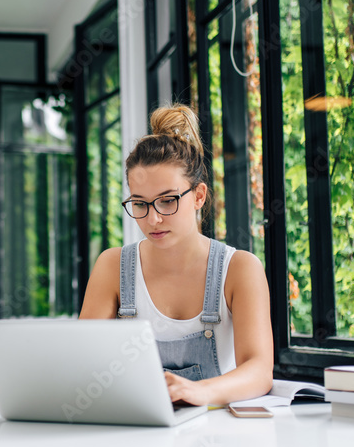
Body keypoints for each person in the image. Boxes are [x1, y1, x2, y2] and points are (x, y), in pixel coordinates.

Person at [80, 103, 273, 406]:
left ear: (198, 196)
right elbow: (82, 364)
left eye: (167, 201)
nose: (153, 219)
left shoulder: (240, 268)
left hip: (221, 435)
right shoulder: (112, 266)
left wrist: (199, 392)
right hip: (137, 430)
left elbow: (259, 371)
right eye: (140, 204)